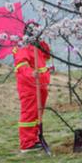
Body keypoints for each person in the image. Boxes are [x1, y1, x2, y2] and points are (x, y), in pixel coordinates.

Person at [12, 23, 51, 154]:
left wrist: (41, 43)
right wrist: (32, 74)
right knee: (29, 112)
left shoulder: (37, 46)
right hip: (29, 86)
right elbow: (21, 66)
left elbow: (46, 55)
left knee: (37, 113)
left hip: (41, 85)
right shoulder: (23, 47)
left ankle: (34, 138)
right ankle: (27, 143)